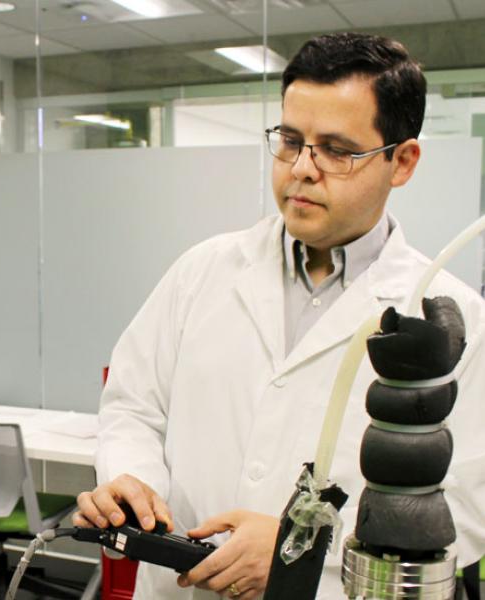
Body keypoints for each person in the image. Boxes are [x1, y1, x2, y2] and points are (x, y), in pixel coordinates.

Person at [73, 32, 485, 600]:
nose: (301, 169)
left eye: (337, 150)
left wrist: (305, 554)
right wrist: (132, 480)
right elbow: (133, 408)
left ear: (402, 161)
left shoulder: (451, 318)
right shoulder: (203, 271)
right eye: (290, 141)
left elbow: (468, 502)